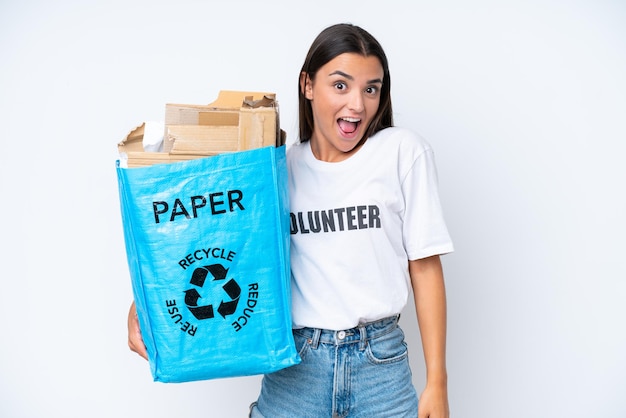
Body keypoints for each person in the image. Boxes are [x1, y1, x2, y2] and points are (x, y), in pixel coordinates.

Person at [128, 23, 453, 418]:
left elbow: (425, 266)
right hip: (296, 367)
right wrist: (146, 303)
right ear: (308, 85)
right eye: (340, 85)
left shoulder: (403, 152)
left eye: (371, 88)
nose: (357, 104)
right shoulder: (277, 166)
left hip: (380, 368)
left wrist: (437, 381)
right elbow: (211, 234)